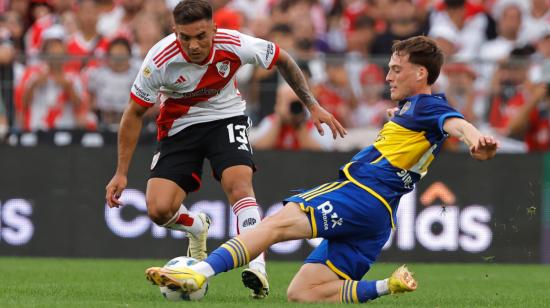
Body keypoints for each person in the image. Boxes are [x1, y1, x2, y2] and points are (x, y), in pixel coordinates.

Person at [144, 36, 498, 303]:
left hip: (360, 193)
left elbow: (456, 124)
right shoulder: (412, 108)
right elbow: (430, 125)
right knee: (304, 291)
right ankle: (388, 285)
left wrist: (476, 139)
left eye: (396, 68)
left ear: (421, 73)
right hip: (379, 219)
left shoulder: (429, 107)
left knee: (275, 224)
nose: (388, 75)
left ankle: (197, 272)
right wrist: (398, 114)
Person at [104, 0, 346, 299]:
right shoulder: (158, 60)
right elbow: (133, 114)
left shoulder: (235, 43)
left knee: (238, 184)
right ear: (174, 31)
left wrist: (312, 105)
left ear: (214, 30)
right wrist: (121, 172)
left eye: (201, 36)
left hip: (225, 117)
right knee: (158, 209)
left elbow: (283, 58)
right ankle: (196, 226)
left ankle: (257, 264)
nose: (193, 45)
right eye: (185, 37)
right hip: (179, 127)